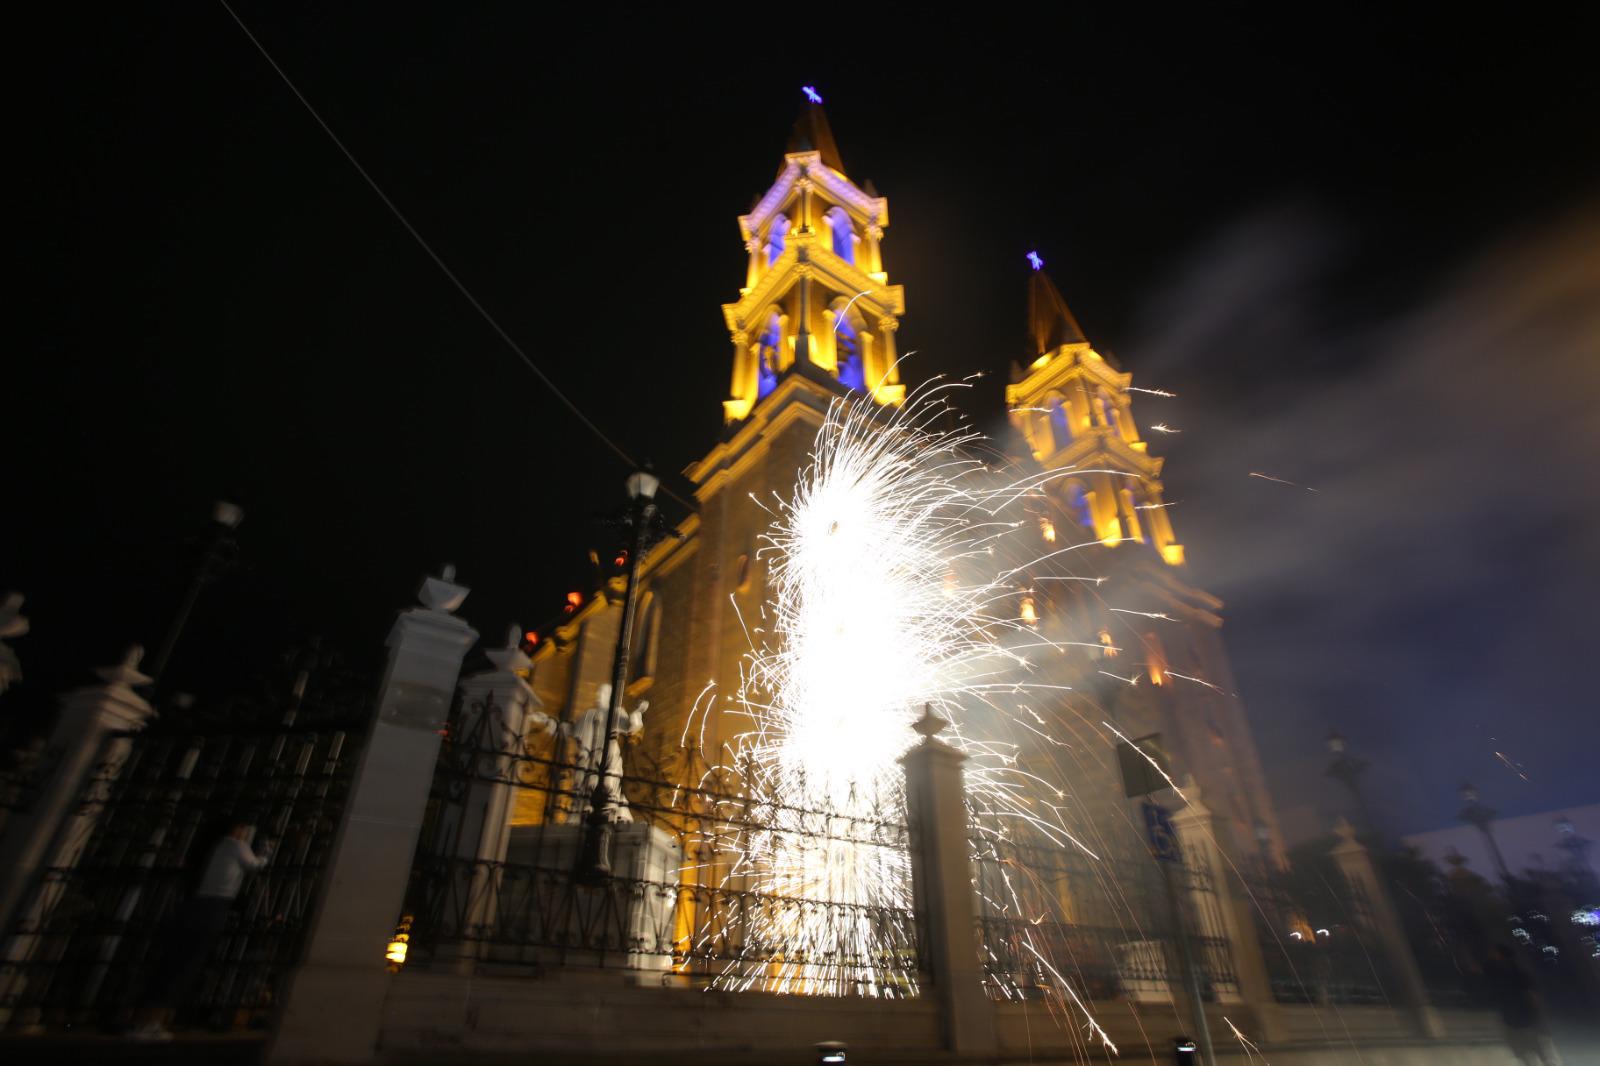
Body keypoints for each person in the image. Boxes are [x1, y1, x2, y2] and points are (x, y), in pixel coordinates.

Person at [131, 821, 273, 1041]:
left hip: (192, 903)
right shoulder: (235, 845)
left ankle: (142, 1018)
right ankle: (153, 1021)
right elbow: (255, 865)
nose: (245, 832)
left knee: (170, 962)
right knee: (186, 964)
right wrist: (266, 853)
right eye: (243, 828)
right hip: (214, 907)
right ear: (237, 828)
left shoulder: (211, 847)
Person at [1482, 943, 1561, 1066]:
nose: (1492, 955)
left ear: (1500, 956)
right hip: (1519, 1014)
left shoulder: (1505, 973)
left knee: (1527, 1046)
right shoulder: (1513, 972)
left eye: (1495, 953)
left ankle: (1540, 1061)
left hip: (1517, 1014)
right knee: (1534, 1046)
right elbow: (1532, 994)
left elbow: (1531, 994)